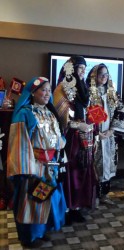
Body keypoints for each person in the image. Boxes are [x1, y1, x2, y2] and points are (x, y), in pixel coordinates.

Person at [7, 77, 67, 248]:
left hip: (50, 165)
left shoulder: (49, 112)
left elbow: (58, 137)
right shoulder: (25, 113)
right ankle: (29, 237)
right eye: (43, 90)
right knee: (32, 201)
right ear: (33, 92)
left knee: (46, 198)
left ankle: (40, 232)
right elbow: (19, 142)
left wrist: (60, 145)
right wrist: (27, 168)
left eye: (49, 90)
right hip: (34, 166)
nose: (48, 93)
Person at [53, 55, 95, 224]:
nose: (83, 72)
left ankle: (77, 207)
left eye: (85, 69)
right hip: (68, 139)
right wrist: (77, 126)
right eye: (80, 69)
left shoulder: (83, 88)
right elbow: (60, 117)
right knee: (69, 171)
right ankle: (67, 208)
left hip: (84, 137)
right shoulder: (61, 89)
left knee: (82, 169)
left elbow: (87, 110)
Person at [86, 63, 124, 205]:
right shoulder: (88, 93)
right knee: (94, 165)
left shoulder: (112, 93)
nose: (104, 77)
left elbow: (121, 111)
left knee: (108, 164)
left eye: (106, 74)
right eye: (101, 74)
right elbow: (84, 114)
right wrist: (97, 132)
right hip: (94, 136)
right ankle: (92, 196)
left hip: (109, 136)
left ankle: (104, 194)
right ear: (94, 76)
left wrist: (111, 130)